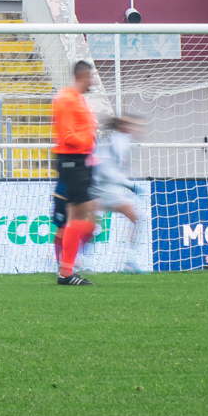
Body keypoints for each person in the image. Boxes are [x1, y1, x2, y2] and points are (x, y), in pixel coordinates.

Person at [51, 60, 98, 285]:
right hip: (72, 161)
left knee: (84, 214)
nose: (93, 81)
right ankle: (67, 271)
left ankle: (67, 267)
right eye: (91, 76)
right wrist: (88, 143)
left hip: (79, 161)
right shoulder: (67, 99)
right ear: (82, 76)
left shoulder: (77, 99)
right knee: (82, 215)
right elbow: (68, 136)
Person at [92, 114, 147, 273]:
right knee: (140, 218)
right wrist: (130, 185)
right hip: (104, 188)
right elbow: (104, 168)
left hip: (108, 188)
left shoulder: (124, 141)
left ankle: (80, 261)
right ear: (122, 126)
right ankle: (131, 261)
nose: (135, 128)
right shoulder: (114, 141)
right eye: (131, 125)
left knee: (89, 225)